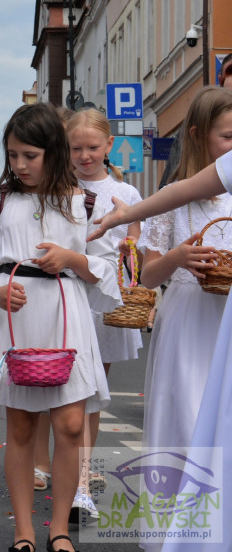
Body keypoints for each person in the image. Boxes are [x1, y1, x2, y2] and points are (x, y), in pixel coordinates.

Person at [0, 103, 119, 552]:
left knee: (69, 425)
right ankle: (24, 531)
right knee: (22, 427)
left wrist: (72, 259)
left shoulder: (78, 199)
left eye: (31, 155)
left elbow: (103, 268)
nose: (21, 165)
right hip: (15, 317)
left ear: (53, 151)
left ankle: (59, 529)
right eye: (13, 155)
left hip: (66, 313)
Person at [89, 92, 232, 552]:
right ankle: (180, 534)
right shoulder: (178, 200)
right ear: (198, 137)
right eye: (227, 136)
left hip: (225, 319)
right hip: (189, 318)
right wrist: (176, 257)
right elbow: (145, 276)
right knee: (187, 423)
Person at [63, 106, 145, 517]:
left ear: (109, 145)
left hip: (107, 299)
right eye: (76, 148)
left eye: (93, 147)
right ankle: (66, 472)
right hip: (67, 295)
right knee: (68, 391)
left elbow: (133, 251)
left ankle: (80, 481)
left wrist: (130, 248)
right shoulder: (59, 187)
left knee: (94, 393)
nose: (84, 156)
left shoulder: (126, 194)